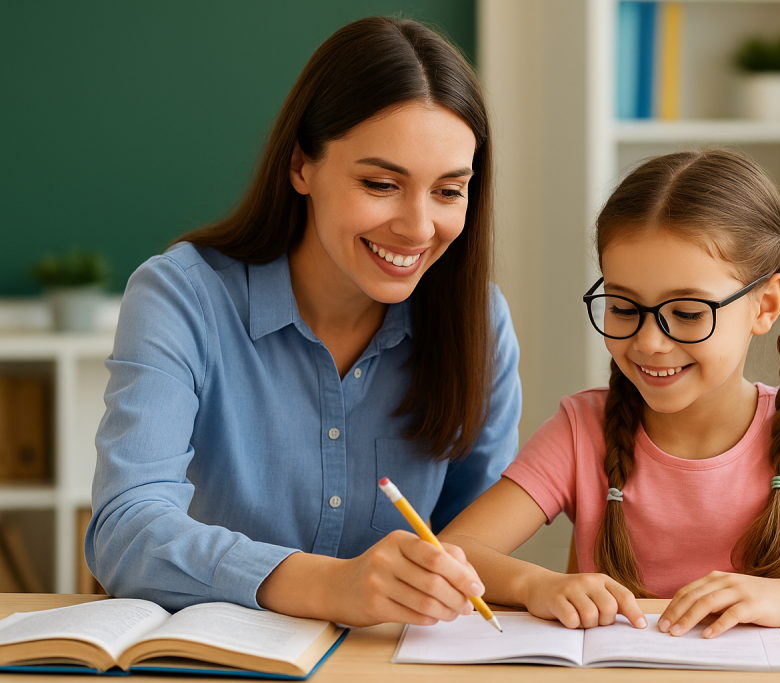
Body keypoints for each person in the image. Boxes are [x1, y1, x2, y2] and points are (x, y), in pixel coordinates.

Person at [439, 149, 780, 638]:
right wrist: (537, 584)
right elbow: (452, 551)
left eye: (687, 312)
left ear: (765, 306)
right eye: (623, 306)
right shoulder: (581, 428)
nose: (650, 342)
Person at [86, 17, 521, 628]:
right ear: (301, 167)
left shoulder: (480, 322)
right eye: (381, 183)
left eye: (449, 191)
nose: (419, 228)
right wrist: (331, 585)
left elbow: (476, 540)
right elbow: (124, 529)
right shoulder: (181, 295)